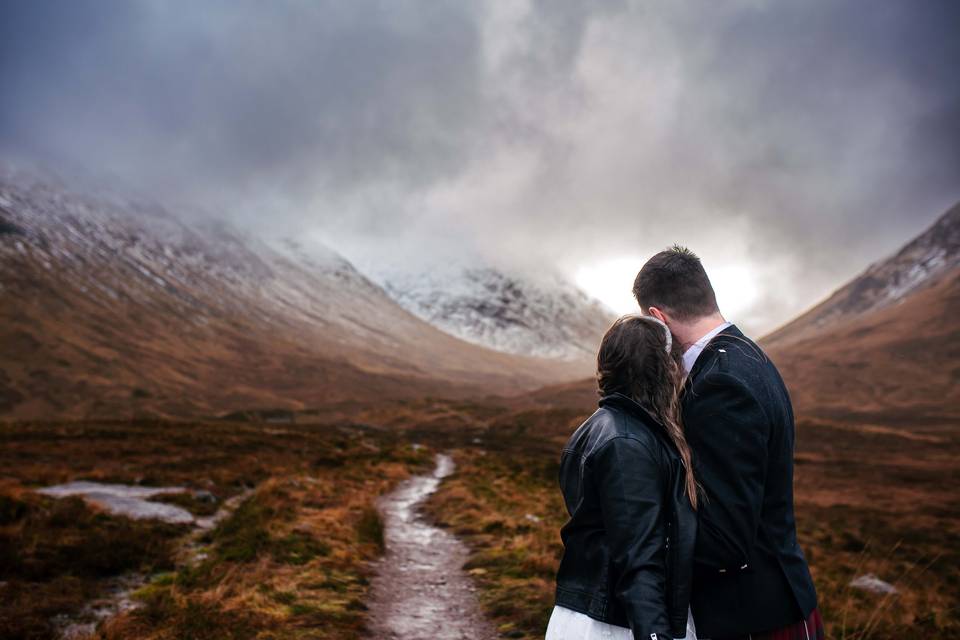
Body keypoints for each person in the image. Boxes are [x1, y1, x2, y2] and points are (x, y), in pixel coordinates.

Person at [633, 246, 822, 640]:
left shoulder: (720, 384)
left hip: (753, 615)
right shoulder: (747, 354)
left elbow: (725, 537)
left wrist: (639, 542)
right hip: (770, 601)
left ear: (658, 319)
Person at [547, 314, 699, 640]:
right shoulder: (627, 444)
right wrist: (656, 634)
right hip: (617, 625)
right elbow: (638, 556)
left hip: (597, 613)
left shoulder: (600, 426)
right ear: (661, 370)